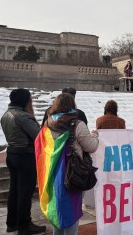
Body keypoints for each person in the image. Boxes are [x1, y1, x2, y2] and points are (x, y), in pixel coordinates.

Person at [36, 93, 99, 235]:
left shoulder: (48, 123)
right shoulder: (77, 124)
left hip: (52, 172)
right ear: (72, 106)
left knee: (57, 208)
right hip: (72, 173)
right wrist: (94, 135)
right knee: (72, 211)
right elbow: (91, 146)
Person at [0, 89, 46, 235]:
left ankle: (12, 223)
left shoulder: (6, 114)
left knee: (14, 190)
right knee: (25, 192)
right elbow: (39, 136)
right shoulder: (23, 117)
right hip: (25, 155)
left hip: (12, 153)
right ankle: (24, 225)